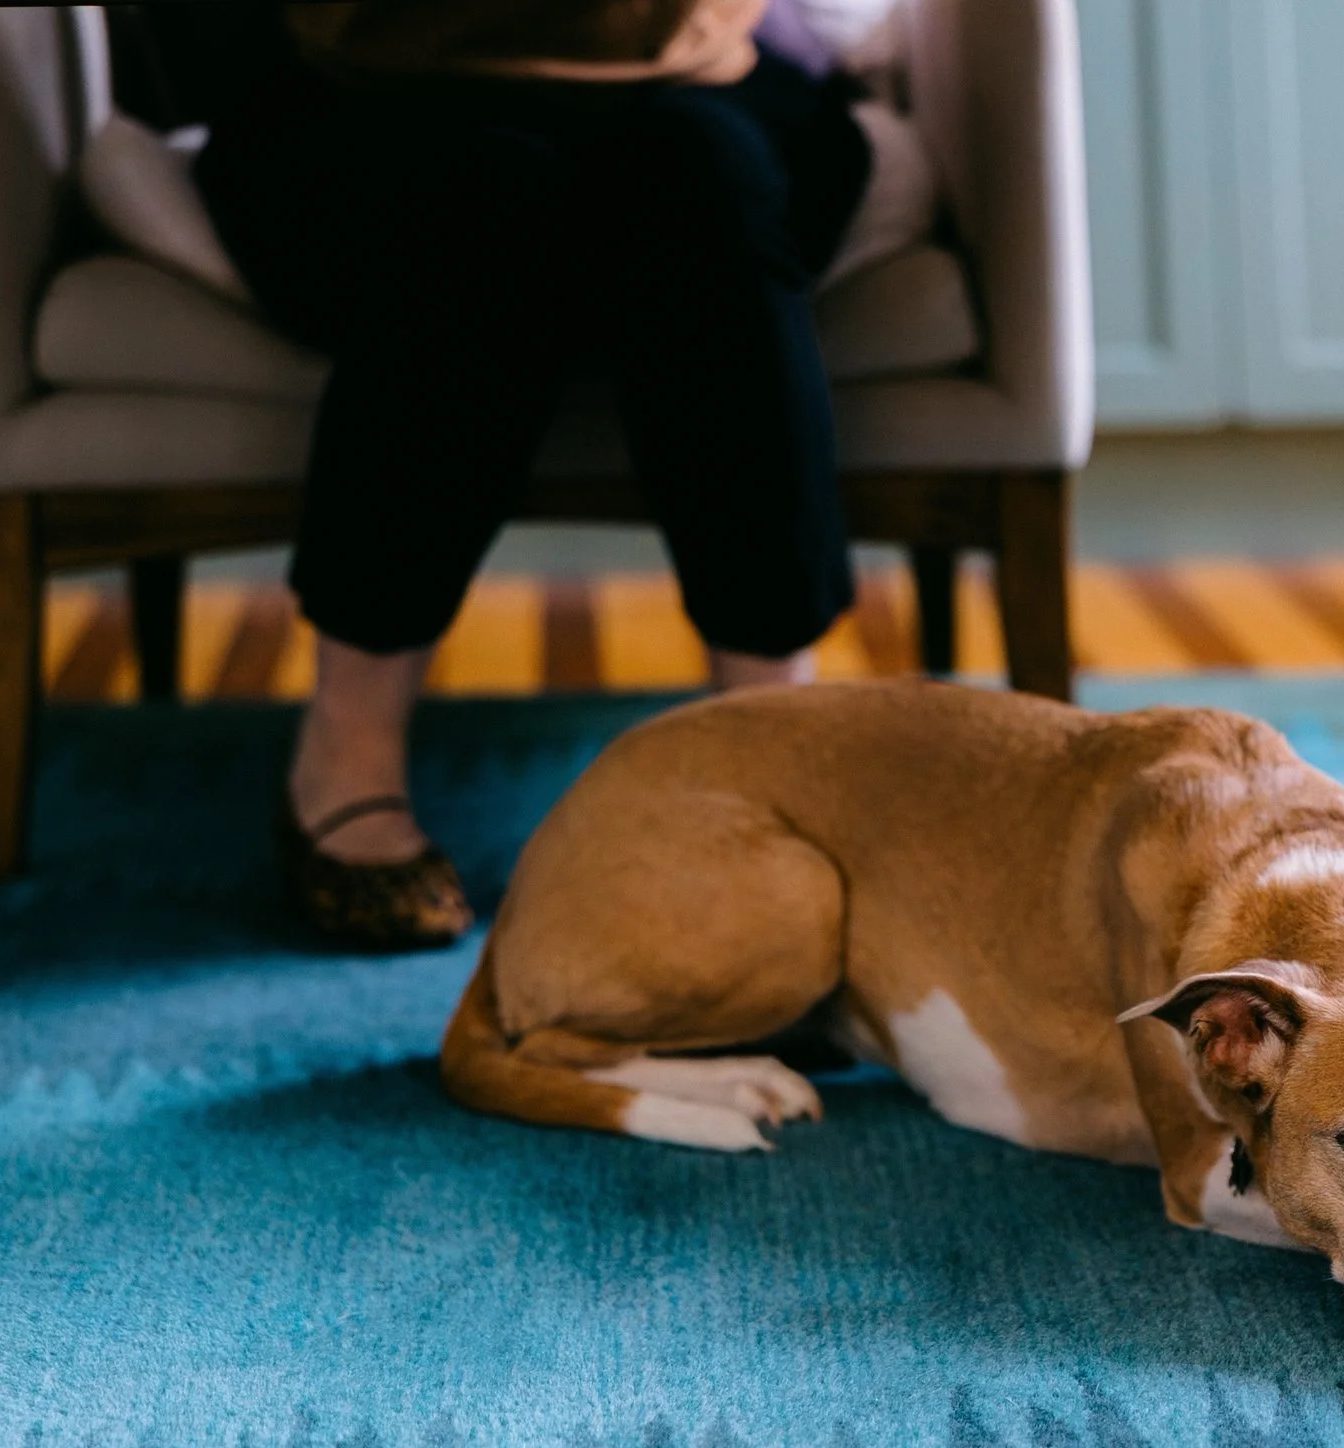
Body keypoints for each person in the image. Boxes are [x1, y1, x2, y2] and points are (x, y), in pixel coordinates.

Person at [185, 0, 873, 950]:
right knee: (484, 195)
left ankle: (777, 745)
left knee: (702, 178)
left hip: (692, 86)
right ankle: (348, 747)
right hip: (366, 99)